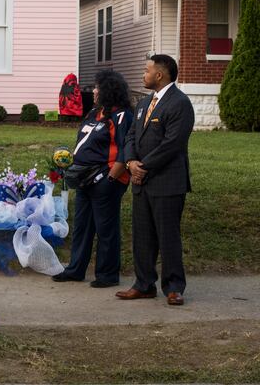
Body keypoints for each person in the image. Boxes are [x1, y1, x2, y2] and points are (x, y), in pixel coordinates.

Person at [117, 54, 194, 306]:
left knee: (167, 235)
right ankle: (144, 285)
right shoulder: (143, 103)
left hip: (167, 181)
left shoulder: (180, 103)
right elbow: (130, 136)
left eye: (146, 70)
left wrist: (144, 166)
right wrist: (130, 163)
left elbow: (173, 144)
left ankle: (173, 287)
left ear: (159, 75)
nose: (143, 74)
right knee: (143, 236)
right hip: (142, 182)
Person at [52, 70, 133, 288]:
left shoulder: (121, 115)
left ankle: (107, 275)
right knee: (82, 226)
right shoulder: (94, 113)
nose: (94, 91)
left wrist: (111, 178)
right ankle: (76, 269)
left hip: (106, 180)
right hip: (84, 179)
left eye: (97, 87)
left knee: (106, 229)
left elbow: (126, 148)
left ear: (108, 90)